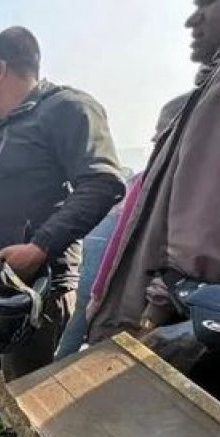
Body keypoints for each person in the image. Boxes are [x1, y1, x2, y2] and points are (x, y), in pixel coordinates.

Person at [0, 27, 125, 398]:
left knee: (19, 414)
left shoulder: (65, 109)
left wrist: (39, 248)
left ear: (0, 69)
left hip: (31, 297)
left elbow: (103, 183)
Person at [88, 0, 220, 355]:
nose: (193, 19)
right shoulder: (206, 91)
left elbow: (198, 239)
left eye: (207, 4)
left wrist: (162, 315)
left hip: (179, 328)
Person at [57, 94, 189, 358]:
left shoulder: (174, 185)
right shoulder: (142, 184)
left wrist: (152, 312)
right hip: (110, 303)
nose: (156, 143)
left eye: (162, 136)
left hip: (139, 315)